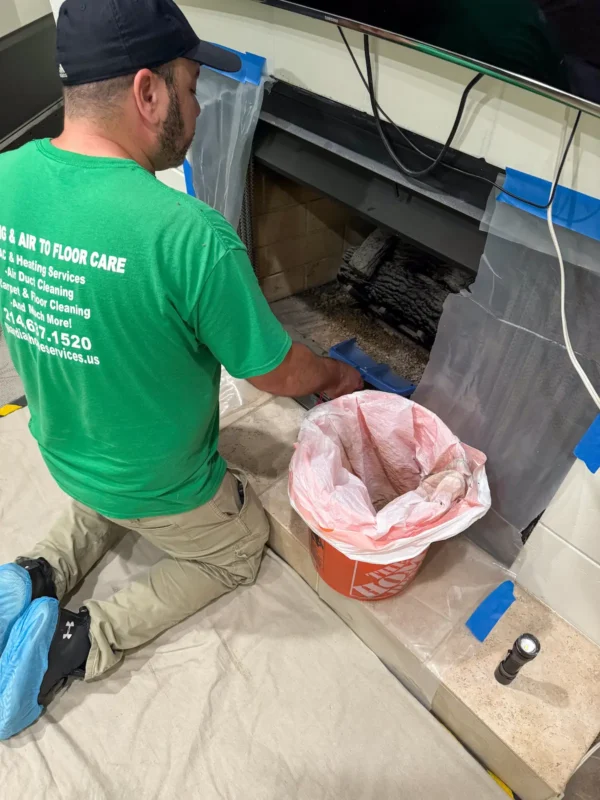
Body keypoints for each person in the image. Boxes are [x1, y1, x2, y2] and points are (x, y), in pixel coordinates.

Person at [0, 0, 362, 740]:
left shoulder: (6, 179)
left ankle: (30, 577)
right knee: (238, 549)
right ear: (148, 92)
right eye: (192, 88)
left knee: (106, 495)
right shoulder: (190, 236)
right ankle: (74, 646)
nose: (196, 109)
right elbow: (276, 373)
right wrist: (333, 376)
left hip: (67, 450)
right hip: (163, 484)